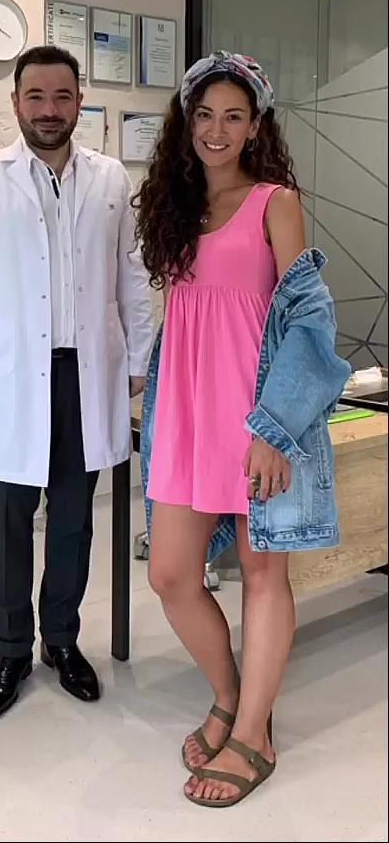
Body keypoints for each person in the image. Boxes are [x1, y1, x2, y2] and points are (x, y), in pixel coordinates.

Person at [134, 51, 350, 808]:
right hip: (187, 414)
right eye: (204, 115)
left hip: (257, 418)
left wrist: (275, 429)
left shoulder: (274, 202)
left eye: (233, 116)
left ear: (256, 125)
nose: (216, 130)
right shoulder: (177, 206)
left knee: (263, 574)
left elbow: (309, 319)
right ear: (186, 123)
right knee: (170, 574)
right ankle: (230, 696)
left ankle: (254, 734)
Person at [0, 44, 153, 721]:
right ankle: (11, 651)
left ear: (79, 102)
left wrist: (139, 359)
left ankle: (61, 640)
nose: (49, 110)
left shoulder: (110, 178)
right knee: (7, 523)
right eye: (36, 96)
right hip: (9, 379)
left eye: (62, 96)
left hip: (86, 375)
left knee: (73, 522)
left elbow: (133, 276)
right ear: (16, 103)